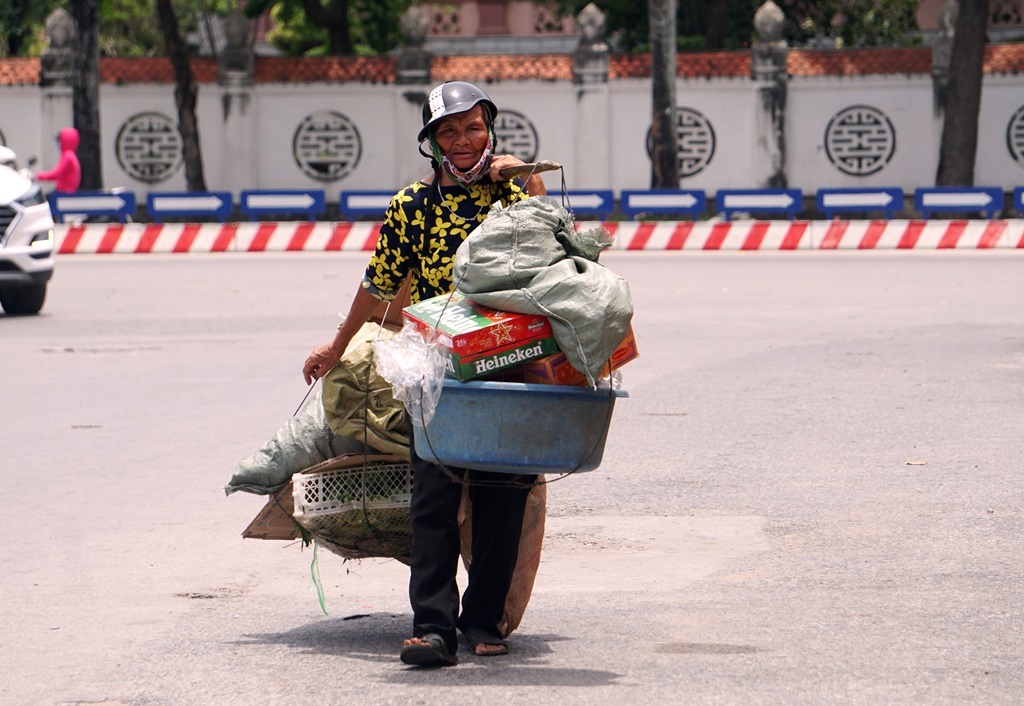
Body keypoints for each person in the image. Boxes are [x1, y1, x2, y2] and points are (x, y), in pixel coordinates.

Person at [302, 81, 546, 667]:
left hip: (510, 357)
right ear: (432, 142)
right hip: (436, 367)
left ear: (491, 129)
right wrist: (337, 347)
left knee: (502, 493)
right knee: (432, 498)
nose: (464, 141)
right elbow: (378, 284)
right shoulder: (410, 207)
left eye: (474, 128)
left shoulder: (512, 196)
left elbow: (560, 249)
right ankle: (433, 627)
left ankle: (484, 618)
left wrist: (530, 180)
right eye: (449, 131)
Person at [36, 127, 81, 193]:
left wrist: (36, 176)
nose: (57, 143)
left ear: (64, 141)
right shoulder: (69, 155)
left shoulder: (68, 156)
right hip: (65, 190)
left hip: (64, 191)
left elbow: (56, 174)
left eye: (59, 140)